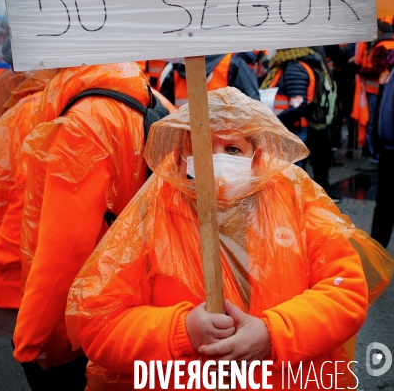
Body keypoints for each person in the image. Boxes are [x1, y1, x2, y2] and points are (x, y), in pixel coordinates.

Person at [66, 87, 393, 391]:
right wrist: (181, 331)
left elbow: (346, 291)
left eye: (233, 148)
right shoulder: (153, 209)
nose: (216, 161)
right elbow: (98, 322)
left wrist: (273, 333)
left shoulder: (294, 196)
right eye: (203, 147)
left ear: (256, 154)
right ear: (181, 154)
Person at [13, 62, 168, 391]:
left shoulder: (86, 121)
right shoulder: (155, 99)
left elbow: (66, 248)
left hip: (88, 316)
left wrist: (31, 337)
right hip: (148, 300)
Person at [0, 67, 58, 340]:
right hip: (51, 282)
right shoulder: (144, 99)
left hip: (17, 280)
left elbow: (25, 207)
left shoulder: (34, 111)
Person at [261, 47, 338, 202]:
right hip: (291, 128)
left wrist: (273, 122)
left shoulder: (294, 68)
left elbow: (299, 105)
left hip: (293, 128)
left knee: (293, 178)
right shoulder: (291, 66)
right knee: (294, 176)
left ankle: (295, 208)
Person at [350, 21, 394, 162]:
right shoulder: (390, 44)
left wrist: (358, 69)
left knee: (374, 123)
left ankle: (375, 153)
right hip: (384, 92)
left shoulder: (380, 47)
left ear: (379, 32)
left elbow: (376, 71)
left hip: (374, 91)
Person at [160, 54, 260, 107]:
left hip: (185, 140)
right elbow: (255, 109)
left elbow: (163, 111)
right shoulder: (233, 64)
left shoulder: (173, 69)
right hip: (226, 142)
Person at [371, 50, 394, 248]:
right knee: (384, 207)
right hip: (388, 151)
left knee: (386, 207)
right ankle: (375, 255)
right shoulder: (390, 64)